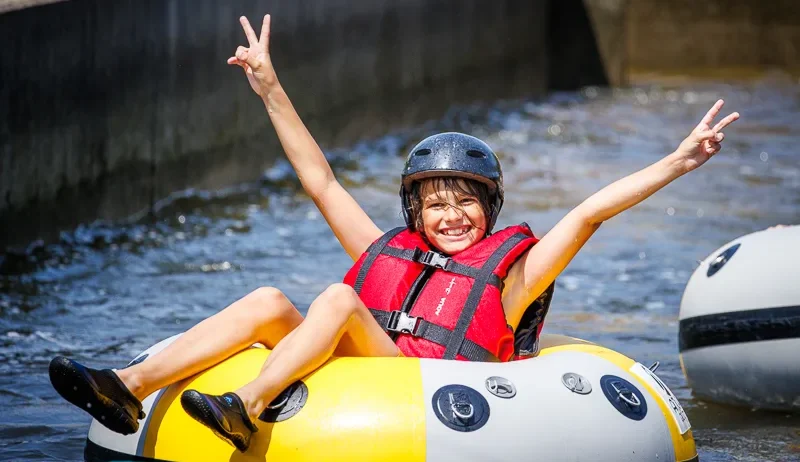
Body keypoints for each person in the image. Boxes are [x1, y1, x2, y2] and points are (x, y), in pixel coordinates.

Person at [48, 14, 740, 452]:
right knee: (267, 301)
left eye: (466, 203)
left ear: (489, 209)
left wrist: (676, 162)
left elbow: (588, 213)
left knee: (337, 300)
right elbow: (321, 181)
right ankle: (126, 385)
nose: (451, 216)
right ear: (416, 215)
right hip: (378, 362)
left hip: (435, 390)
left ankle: (248, 404)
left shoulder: (514, 282)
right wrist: (270, 88)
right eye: (436, 205)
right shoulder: (392, 254)